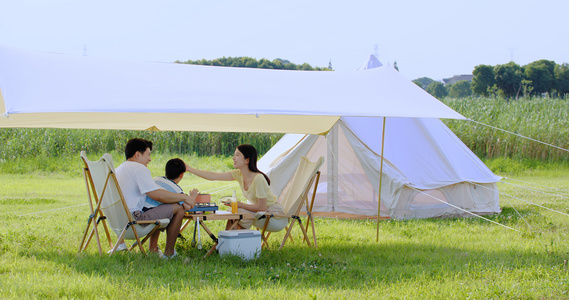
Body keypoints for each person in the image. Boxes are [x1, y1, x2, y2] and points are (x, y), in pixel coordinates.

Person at [115, 138, 198, 258]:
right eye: (148, 155)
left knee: (160, 209)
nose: (150, 159)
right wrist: (184, 198)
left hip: (119, 224)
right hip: (134, 220)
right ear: (137, 154)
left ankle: (153, 249)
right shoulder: (138, 168)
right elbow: (157, 195)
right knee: (179, 208)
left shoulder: (119, 169)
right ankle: (169, 254)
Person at [186, 144, 284, 230]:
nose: (233, 158)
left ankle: (229, 243)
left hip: (273, 216)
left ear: (247, 160)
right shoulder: (238, 174)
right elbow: (213, 176)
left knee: (236, 211)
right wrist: (190, 169)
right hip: (261, 214)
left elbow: (261, 207)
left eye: (237, 155)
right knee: (234, 211)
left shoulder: (258, 179)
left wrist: (239, 204)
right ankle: (228, 243)